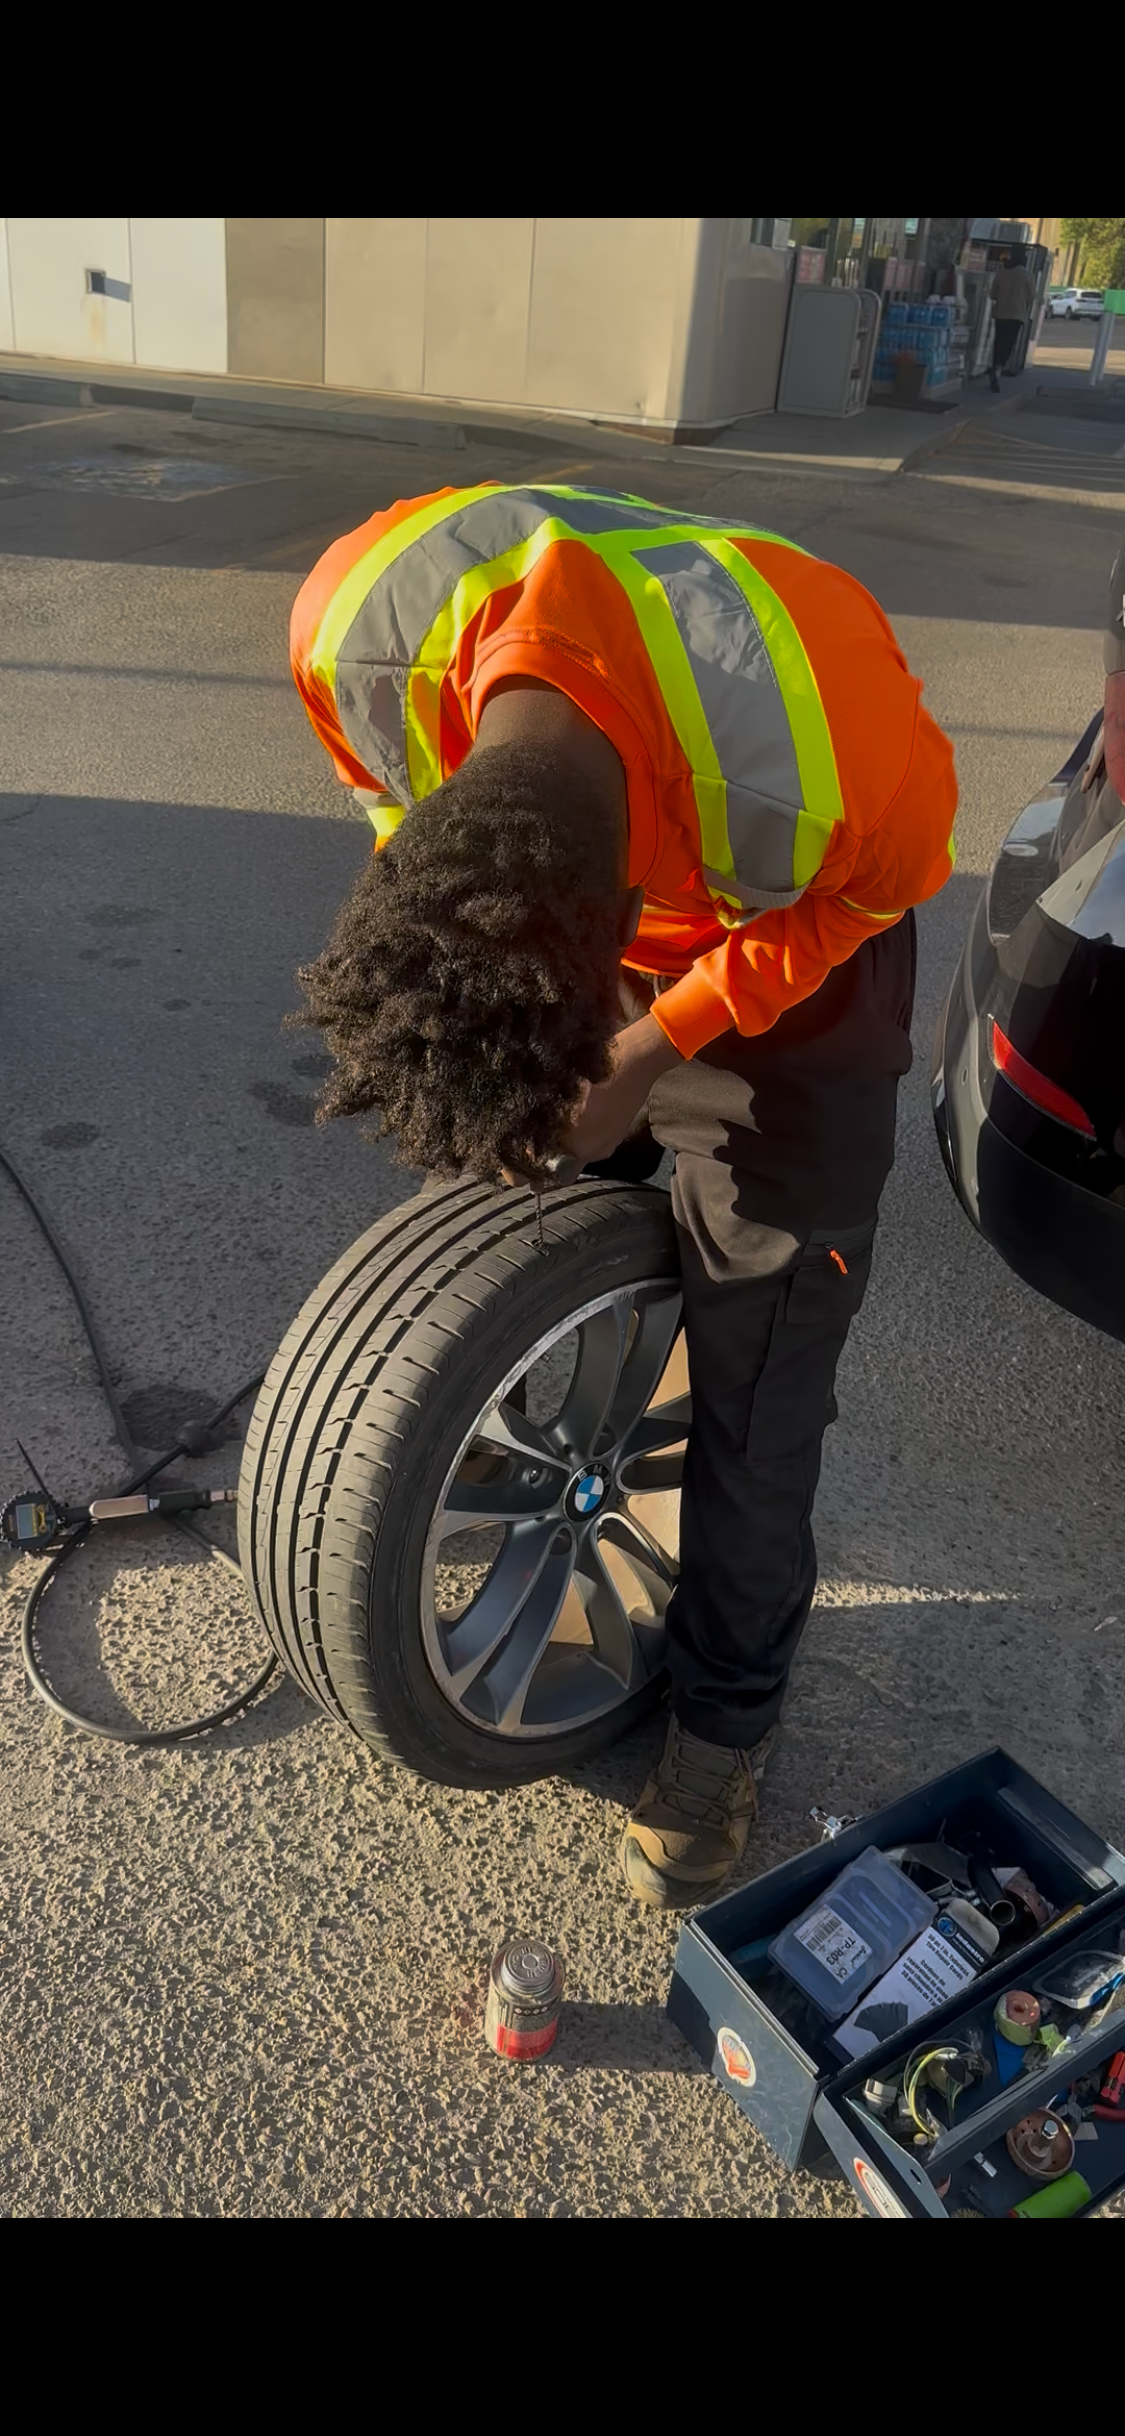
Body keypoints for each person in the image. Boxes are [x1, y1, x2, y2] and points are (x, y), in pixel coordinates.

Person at [289, 482, 957, 1909]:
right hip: (576, 915)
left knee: (757, 1374)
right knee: (514, 1193)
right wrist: (555, 1054)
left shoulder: (814, 755)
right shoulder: (351, 632)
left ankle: (723, 1724)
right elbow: (400, 831)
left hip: (796, 969)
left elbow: (874, 893)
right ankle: (540, 1417)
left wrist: (653, 1040)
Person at [989, 250, 1034, 391]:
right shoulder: (1026, 275)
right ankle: (1000, 367)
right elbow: (1032, 296)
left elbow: (992, 294)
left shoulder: (1002, 272)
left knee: (999, 340)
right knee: (1009, 342)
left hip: (1001, 313)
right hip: (1017, 316)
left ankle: (995, 364)